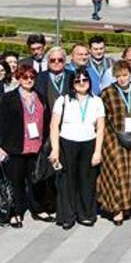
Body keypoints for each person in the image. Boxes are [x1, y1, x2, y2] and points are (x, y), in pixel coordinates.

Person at [49, 69, 105, 229]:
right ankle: (67, 216)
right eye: (77, 80)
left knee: (87, 181)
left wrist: (97, 151)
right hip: (67, 143)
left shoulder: (96, 101)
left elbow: (101, 127)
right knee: (67, 181)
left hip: (89, 143)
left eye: (85, 80)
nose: (81, 83)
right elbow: (54, 126)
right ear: (72, 84)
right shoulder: (63, 100)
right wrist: (55, 149)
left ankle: (86, 214)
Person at [0, 64, 52, 226]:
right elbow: (1, 123)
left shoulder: (40, 96)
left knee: (36, 180)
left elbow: (47, 119)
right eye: (25, 77)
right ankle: (16, 212)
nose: (29, 80)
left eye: (31, 77)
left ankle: (37, 209)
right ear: (18, 78)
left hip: (35, 146)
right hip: (15, 146)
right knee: (15, 181)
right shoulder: (9, 98)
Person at [98, 60, 131, 225]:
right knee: (117, 172)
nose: (122, 79)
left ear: (130, 74)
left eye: (125, 75)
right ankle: (116, 208)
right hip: (113, 136)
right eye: (118, 76)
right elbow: (101, 116)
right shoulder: (107, 93)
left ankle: (128, 204)